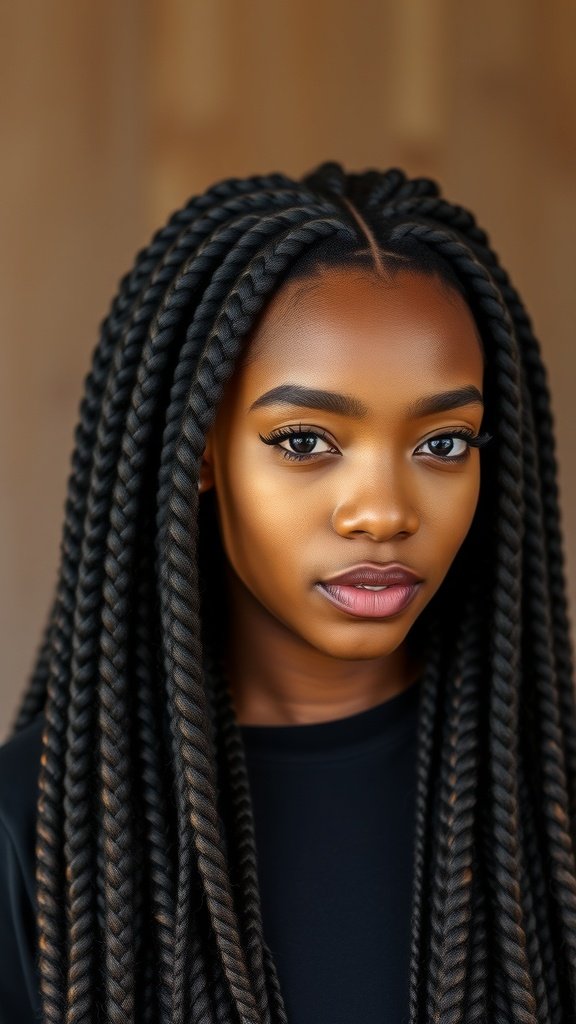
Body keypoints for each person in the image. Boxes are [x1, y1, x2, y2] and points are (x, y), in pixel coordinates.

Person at [0, 161, 574, 1024]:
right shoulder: (32, 825)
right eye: (306, 440)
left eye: (445, 444)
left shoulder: (551, 801)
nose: (383, 512)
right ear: (201, 450)